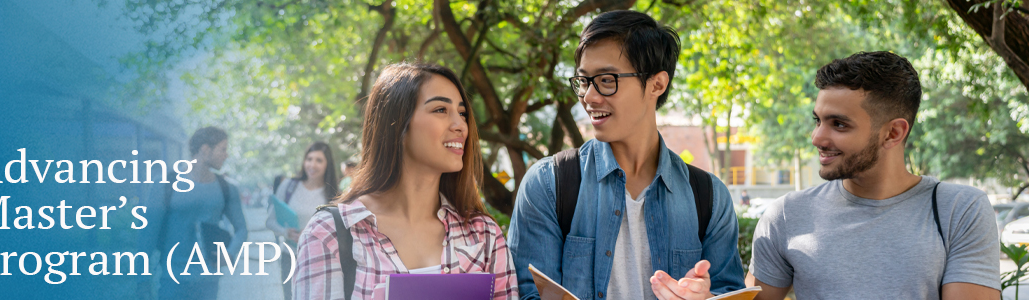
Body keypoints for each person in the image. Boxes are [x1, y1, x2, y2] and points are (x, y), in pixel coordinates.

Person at [507, 10, 744, 300]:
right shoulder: (547, 185)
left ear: (657, 84)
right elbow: (525, 293)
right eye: (583, 81)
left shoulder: (709, 197)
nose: (589, 97)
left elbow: (730, 292)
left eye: (607, 80)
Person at [747, 51, 1000, 299]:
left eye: (839, 124)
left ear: (893, 133)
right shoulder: (787, 214)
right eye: (818, 121)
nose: (817, 138)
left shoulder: (960, 210)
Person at [294, 63, 518, 300]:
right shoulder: (328, 234)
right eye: (441, 109)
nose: (460, 125)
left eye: (462, 113)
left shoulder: (484, 234)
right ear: (398, 124)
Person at [137, 126, 248, 300]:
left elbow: (241, 229)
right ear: (205, 149)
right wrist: (142, 281)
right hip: (172, 280)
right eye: (223, 149)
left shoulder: (227, 188)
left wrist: (230, 253)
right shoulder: (165, 184)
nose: (226, 155)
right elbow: (148, 236)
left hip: (209, 281)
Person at [268, 142, 340, 300]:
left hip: (321, 261)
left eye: (319, 160)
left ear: (327, 164)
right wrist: (286, 232)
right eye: (309, 159)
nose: (312, 165)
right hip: (291, 257)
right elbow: (270, 221)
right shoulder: (288, 186)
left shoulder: (334, 195)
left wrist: (311, 236)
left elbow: (340, 233)